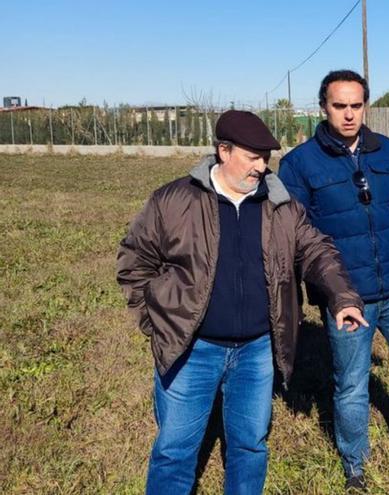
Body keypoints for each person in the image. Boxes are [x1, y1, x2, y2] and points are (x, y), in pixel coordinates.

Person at [116, 110, 367, 494]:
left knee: (250, 446)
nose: (262, 166)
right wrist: (158, 322)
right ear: (223, 151)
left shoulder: (280, 205)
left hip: (256, 351)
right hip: (191, 349)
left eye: (266, 157)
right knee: (175, 450)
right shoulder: (174, 201)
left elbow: (318, 251)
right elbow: (135, 262)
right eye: (252, 157)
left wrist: (342, 298)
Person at [277, 70, 389, 491]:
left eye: (356, 106)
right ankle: (355, 463)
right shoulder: (300, 164)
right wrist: (324, 292)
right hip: (348, 298)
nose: (348, 115)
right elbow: (297, 238)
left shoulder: (387, 152)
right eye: (339, 106)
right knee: (352, 384)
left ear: (366, 107)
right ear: (323, 107)